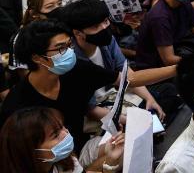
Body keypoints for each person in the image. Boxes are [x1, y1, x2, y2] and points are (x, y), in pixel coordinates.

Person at [0, 19, 176, 148]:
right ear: (37, 57)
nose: (69, 52)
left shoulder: (76, 69)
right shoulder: (18, 107)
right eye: (61, 48)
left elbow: (128, 80)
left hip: (82, 147)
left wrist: (177, 69)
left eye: (70, 45)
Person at [0, 107, 125, 173]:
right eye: (55, 135)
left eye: (62, 127)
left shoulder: (65, 161)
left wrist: (111, 159)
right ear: (29, 150)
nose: (65, 133)